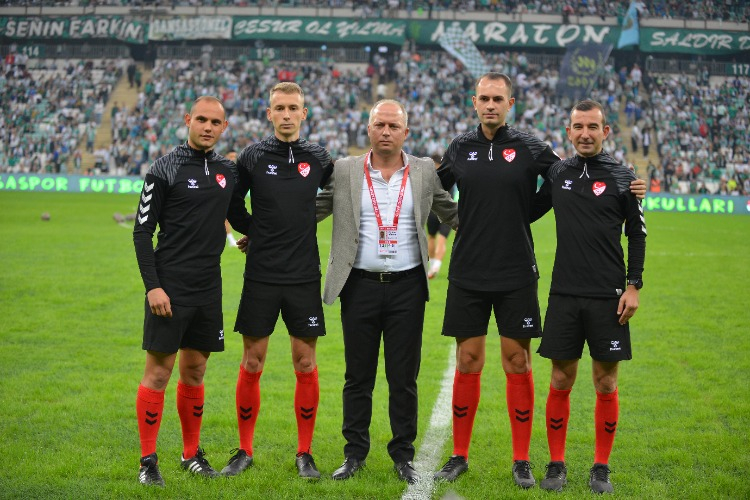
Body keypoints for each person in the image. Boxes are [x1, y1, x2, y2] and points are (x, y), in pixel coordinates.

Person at [432, 73, 646, 487]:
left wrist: (629, 185)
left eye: (498, 99)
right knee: (469, 361)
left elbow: (564, 183)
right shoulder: (459, 147)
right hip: (468, 273)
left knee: (518, 362)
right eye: (484, 99)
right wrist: (457, 219)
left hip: (517, 274)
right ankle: (459, 456)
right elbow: (433, 192)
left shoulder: (531, 147)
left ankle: (522, 459)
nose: (491, 105)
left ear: (510, 103)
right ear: (474, 102)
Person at [316, 99, 458, 484]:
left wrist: (504, 225)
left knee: (403, 377)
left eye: (394, 126)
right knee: (357, 376)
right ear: (368, 128)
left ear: (405, 133)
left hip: (407, 288)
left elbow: (452, 213)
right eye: (379, 124)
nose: (386, 132)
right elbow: (311, 210)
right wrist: (261, 231)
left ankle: (402, 455)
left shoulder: (425, 171)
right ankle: (354, 454)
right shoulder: (345, 170)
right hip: (358, 285)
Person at [132, 96, 250, 486]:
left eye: (216, 122)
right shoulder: (164, 168)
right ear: (188, 119)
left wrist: (269, 227)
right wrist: (154, 287)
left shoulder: (226, 171)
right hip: (170, 286)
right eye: (201, 119)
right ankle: (148, 461)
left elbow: (238, 216)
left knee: (196, 371)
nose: (208, 127)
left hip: (208, 287)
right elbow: (142, 232)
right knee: (159, 372)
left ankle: (190, 454)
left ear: (223, 128)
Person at [222, 82, 333, 480]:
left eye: (293, 108)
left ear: (304, 114)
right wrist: (257, 231)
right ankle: (245, 450)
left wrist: (303, 221)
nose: (286, 114)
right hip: (262, 275)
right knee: (252, 362)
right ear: (269, 113)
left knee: (305, 362)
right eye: (279, 108)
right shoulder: (252, 156)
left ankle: (305, 453)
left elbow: (339, 196)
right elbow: (233, 202)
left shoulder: (320, 158)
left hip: (304, 274)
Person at [535, 100, 646, 494]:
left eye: (592, 127)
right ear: (568, 131)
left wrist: (634, 285)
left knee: (605, 382)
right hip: (564, 293)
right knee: (561, 378)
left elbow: (637, 232)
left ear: (605, 132)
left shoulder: (624, 178)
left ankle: (601, 467)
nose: (585, 133)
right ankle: (556, 464)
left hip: (608, 297)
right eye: (578, 126)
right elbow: (526, 208)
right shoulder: (557, 172)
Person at [426, 156, 456, 279]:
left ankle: (433, 267)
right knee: (439, 239)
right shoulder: (448, 176)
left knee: (433, 238)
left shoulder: (428, 178)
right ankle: (434, 267)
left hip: (432, 211)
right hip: (446, 211)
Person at [224, 150, 238, 247]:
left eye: (234, 156)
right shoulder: (221, 168)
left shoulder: (236, 169)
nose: (233, 158)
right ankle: (231, 241)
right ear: (226, 156)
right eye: (231, 156)